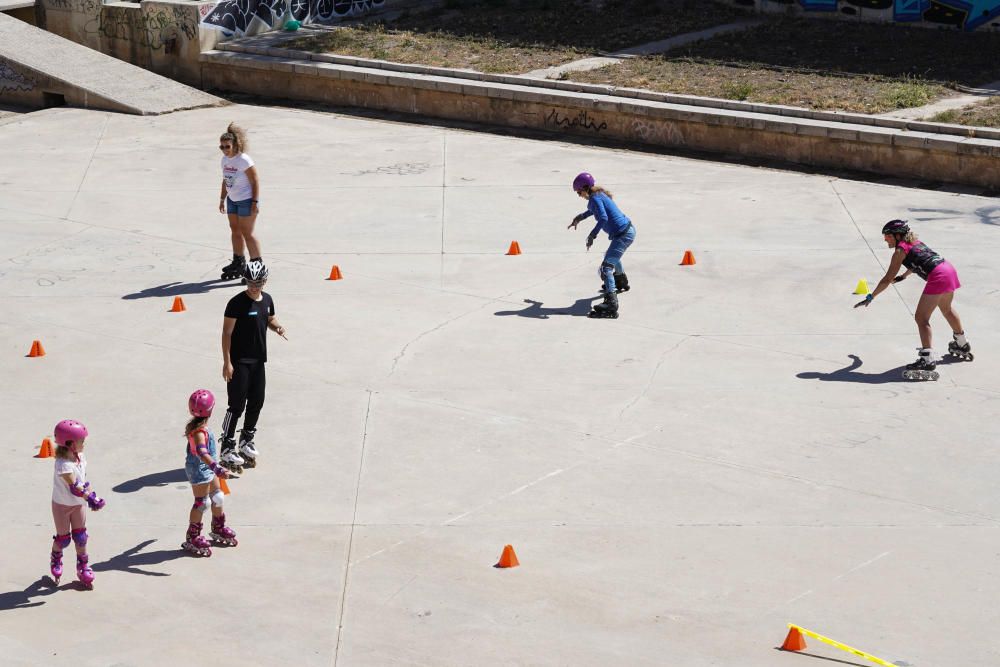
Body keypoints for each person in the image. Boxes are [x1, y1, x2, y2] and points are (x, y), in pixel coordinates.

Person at [854, 219, 972, 376]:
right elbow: (919, 260)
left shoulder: (899, 252)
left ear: (897, 235)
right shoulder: (915, 242)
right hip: (948, 269)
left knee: (921, 318)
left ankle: (928, 359)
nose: (885, 239)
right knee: (947, 309)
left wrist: (871, 296)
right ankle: (961, 343)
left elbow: (887, 278)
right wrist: (904, 276)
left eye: (887, 236)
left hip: (938, 276)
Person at [219, 260, 287, 473]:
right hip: (239, 362)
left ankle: (246, 440)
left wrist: (277, 327)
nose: (253, 287)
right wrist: (227, 362)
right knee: (236, 405)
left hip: (259, 361)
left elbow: (269, 317)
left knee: (257, 401)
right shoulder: (236, 303)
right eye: (250, 282)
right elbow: (227, 333)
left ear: (265, 281)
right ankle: (227, 445)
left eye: (258, 283)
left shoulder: (267, 299)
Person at [567, 172, 636, 319]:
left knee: (605, 268)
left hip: (623, 235)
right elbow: (593, 211)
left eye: (579, 192)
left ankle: (611, 304)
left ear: (585, 188)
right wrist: (579, 218)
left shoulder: (595, 198)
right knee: (610, 256)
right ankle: (620, 280)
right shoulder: (598, 195)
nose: (578, 195)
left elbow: (603, 217)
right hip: (626, 232)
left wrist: (593, 235)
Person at [50, 420, 105, 589]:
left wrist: (88, 493)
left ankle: (83, 566)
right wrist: (90, 497)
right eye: (81, 441)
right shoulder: (63, 464)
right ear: (70, 444)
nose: (84, 443)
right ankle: (56, 556)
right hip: (62, 505)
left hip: (78, 505)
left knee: (81, 537)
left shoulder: (79, 456)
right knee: (64, 539)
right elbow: (74, 485)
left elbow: (82, 480)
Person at [182, 389, 237, 557]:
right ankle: (193, 536)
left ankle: (218, 527)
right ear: (210, 409)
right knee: (202, 503)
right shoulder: (199, 432)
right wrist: (217, 468)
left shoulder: (201, 427)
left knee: (218, 496)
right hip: (199, 469)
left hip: (209, 467)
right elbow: (201, 452)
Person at [218, 123, 262, 281]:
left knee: (247, 233)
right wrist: (222, 198)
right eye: (221, 147)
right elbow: (226, 180)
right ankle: (239, 262)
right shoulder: (224, 160)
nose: (224, 150)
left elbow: (255, 180)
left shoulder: (243, 160)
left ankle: (257, 267)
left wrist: (255, 202)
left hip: (246, 200)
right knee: (235, 230)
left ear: (235, 145)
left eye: (227, 146)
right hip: (232, 200)